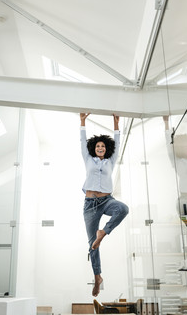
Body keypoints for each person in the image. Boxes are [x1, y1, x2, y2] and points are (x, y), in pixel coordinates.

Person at [80, 113, 129, 297]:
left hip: (107, 200)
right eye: (98, 146)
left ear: (106, 149)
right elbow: (82, 141)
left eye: (103, 146)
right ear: (94, 148)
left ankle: (104, 231)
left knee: (123, 208)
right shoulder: (87, 159)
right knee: (92, 244)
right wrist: (82, 122)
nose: (100, 147)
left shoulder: (111, 161)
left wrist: (116, 125)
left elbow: (117, 144)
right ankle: (97, 277)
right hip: (90, 205)